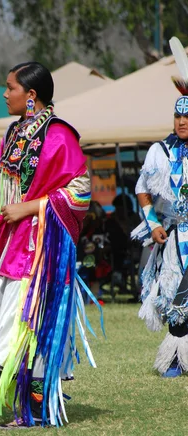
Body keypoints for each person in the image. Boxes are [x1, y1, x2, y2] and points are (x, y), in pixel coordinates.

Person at [0, 62, 96, 429]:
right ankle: (26, 406)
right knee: (9, 312)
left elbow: (81, 192)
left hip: (42, 244)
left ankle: (36, 408)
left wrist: (29, 207)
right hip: (12, 241)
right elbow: (6, 181)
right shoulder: (14, 133)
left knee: (29, 318)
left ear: (30, 95)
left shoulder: (60, 135)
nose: (4, 94)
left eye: (10, 87)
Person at [133, 68, 188, 377]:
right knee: (174, 291)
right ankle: (177, 358)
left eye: (187, 117)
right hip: (175, 232)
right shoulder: (162, 152)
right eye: (177, 117)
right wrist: (153, 222)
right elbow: (142, 187)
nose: (181, 122)